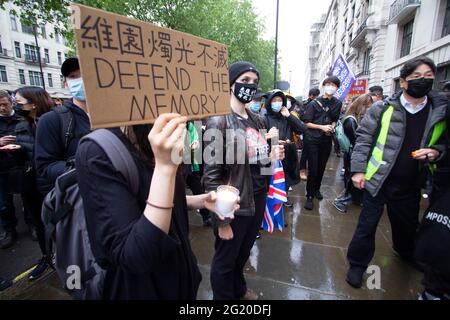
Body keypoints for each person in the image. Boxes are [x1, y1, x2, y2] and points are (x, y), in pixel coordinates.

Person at [76, 114, 226, 299]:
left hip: (181, 276)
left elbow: (158, 198)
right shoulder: (97, 151)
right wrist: (165, 168)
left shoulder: (164, 136)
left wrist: (200, 201)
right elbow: (136, 254)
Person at [346, 56, 448, 288]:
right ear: (402, 82)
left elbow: (444, 143)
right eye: (416, 77)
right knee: (367, 225)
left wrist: (435, 152)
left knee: (406, 225)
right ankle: (357, 264)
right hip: (377, 180)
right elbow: (363, 140)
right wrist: (358, 171)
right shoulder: (382, 109)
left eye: (428, 77)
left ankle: (405, 252)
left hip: (412, 182)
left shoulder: (439, 111)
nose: (423, 81)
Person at [202, 61, 284, 300]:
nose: (250, 86)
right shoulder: (218, 120)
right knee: (225, 260)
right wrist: (222, 220)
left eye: (254, 82)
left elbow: (262, 163)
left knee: (242, 253)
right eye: (245, 80)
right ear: (231, 84)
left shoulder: (256, 119)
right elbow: (211, 175)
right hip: (233, 204)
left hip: (256, 198)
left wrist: (273, 155)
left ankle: (238, 288)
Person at [14, 86, 54, 280]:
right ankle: (47, 256)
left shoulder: (54, 122)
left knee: (56, 221)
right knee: (39, 222)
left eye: (20, 102)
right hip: (29, 182)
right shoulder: (20, 124)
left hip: (49, 184)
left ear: (34, 103)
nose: (16, 106)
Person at [35, 57, 90, 196]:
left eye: (86, 74)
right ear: (65, 83)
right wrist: (85, 169)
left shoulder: (114, 117)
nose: (81, 80)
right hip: (78, 200)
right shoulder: (51, 120)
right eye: (73, 77)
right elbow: (45, 167)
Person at [0, 90, 34, 249]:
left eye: (4, 104)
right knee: (4, 203)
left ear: (11, 103)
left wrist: (20, 146)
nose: (1, 108)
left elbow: (32, 141)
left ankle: (32, 224)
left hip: (22, 165)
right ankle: (9, 229)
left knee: (28, 199)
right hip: (3, 168)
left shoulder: (23, 119)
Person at [302, 77, 342, 210]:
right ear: (324, 85)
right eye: (328, 84)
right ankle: (309, 196)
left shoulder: (338, 103)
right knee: (313, 168)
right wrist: (322, 127)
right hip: (313, 140)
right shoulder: (314, 103)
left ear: (337, 88)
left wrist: (332, 127)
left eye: (334, 85)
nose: (331, 87)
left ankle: (316, 189)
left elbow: (334, 120)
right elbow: (307, 123)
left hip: (326, 140)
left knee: (321, 167)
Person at [263, 90, 306, 207]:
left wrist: (289, 116)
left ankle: (283, 199)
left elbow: (302, 129)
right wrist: (273, 141)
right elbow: (260, 138)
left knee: (285, 179)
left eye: (280, 100)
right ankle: (269, 203)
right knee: (270, 181)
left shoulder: (287, 117)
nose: (277, 103)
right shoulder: (264, 118)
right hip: (271, 155)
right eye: (274, 100)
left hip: (287, 155)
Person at [333, 94, 373, 213]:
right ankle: (341, 201)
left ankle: (352, 199)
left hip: (352, 154)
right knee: (351, 179)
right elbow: (356, 140)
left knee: (351, 178)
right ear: (362, 106)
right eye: (368, 106)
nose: (370, 109)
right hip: (353, 154)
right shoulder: (351, 120)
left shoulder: (352, 118)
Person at [299, 88, 320, 181]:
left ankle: (309, 171)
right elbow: (302, 117)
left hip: (315, 131)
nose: (314, 97)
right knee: (305, 152)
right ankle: (302, 170)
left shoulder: (318, 104)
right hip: (306, 130)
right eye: (314, 95)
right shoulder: (305, 104)